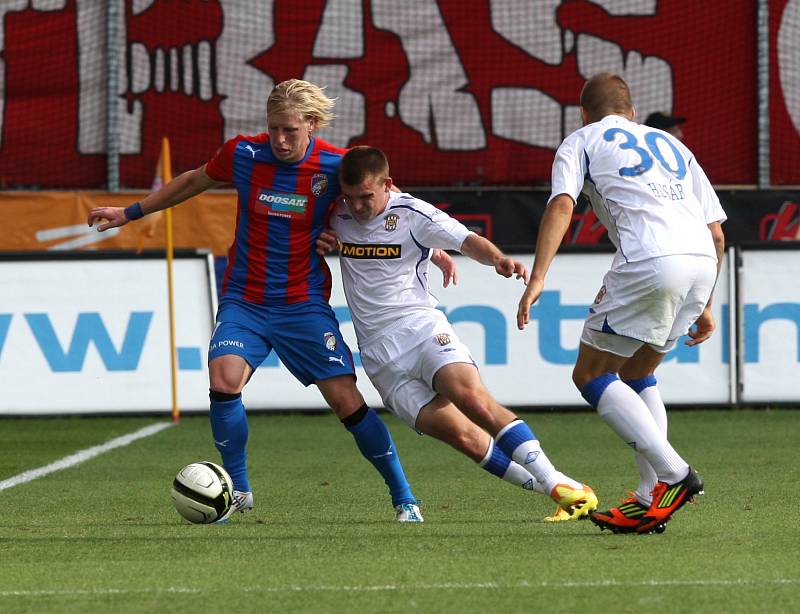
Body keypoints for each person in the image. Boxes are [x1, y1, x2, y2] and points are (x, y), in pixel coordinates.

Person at [87, 79, 424, 524]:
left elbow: (386, 205)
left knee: (346, 400)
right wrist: (130, 212)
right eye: (273, 129)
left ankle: (404, 498)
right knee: (223, 378)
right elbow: (194, 181)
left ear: (312, 124)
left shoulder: (334, 166)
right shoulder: (244, 154)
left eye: (289, 130)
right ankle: (238, 488)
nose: (280, 140)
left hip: (301, 305)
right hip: (244, 299)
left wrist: (431, 245)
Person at [317, 146, 598, 521]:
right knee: (462, 437)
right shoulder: (336, 212)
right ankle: (564, 493)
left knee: (474, 400)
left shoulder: (411, 212)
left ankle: (554, 481)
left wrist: (497, 258)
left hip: (420, 329)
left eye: (366, 196)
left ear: (387, 185)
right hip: (379, 356)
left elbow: (464, 239)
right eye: (350, 197)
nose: (358, 206)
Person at [517, 73, 726, 535]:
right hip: (702, 262)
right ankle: (650, 493)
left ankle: (674, 475)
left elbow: (562, 205)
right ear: (631, 112)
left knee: (591, 374)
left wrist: (538, 277)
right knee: (638, 373)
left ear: (584, 113)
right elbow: (716, 232)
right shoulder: (673, 146)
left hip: (650, 261)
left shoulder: (581, 140)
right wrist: (706, 301)